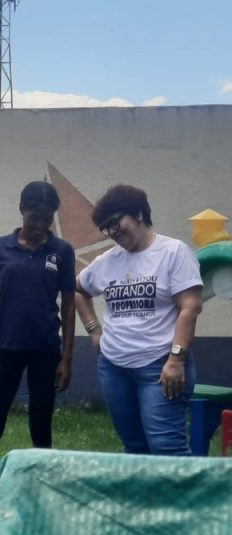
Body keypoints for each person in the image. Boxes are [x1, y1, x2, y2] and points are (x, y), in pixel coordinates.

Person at [0, 180, 75, 515]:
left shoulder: (62, 251)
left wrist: (67, 358)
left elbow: (69, 306)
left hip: (46, 350)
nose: (41, 224)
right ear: (22, 210)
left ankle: (43, 501)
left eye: (47, 219)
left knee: (41, 427)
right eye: (35, 217)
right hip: (7, 350)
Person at [75, 184, 203, 454]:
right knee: (134, 448)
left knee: (168, 449)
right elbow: (78, 290)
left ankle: (182, 497)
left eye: (115, 222)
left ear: (138, 214)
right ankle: (145, 498)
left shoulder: (173, 252)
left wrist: (176, 360)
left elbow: (189, 307)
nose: (113, 233)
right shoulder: (107, 261)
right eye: (106, 228)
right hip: (113, 368)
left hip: (160, 367)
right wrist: (94, 330)